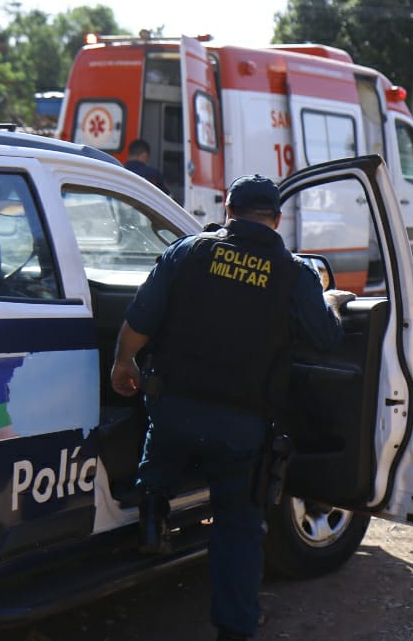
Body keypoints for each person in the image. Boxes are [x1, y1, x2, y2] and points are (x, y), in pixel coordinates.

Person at [110, 174, 354, 640]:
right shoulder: (294, 273)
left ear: (228, 210)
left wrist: (124, 360)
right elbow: (326, 338)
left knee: (160, 441)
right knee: (238, 526)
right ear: (277, 219)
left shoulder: (189, 251)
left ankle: (153, 509)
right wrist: (332, 303)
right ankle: (236, 627)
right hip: (240, 427)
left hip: (174, 413)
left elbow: (141, 316)